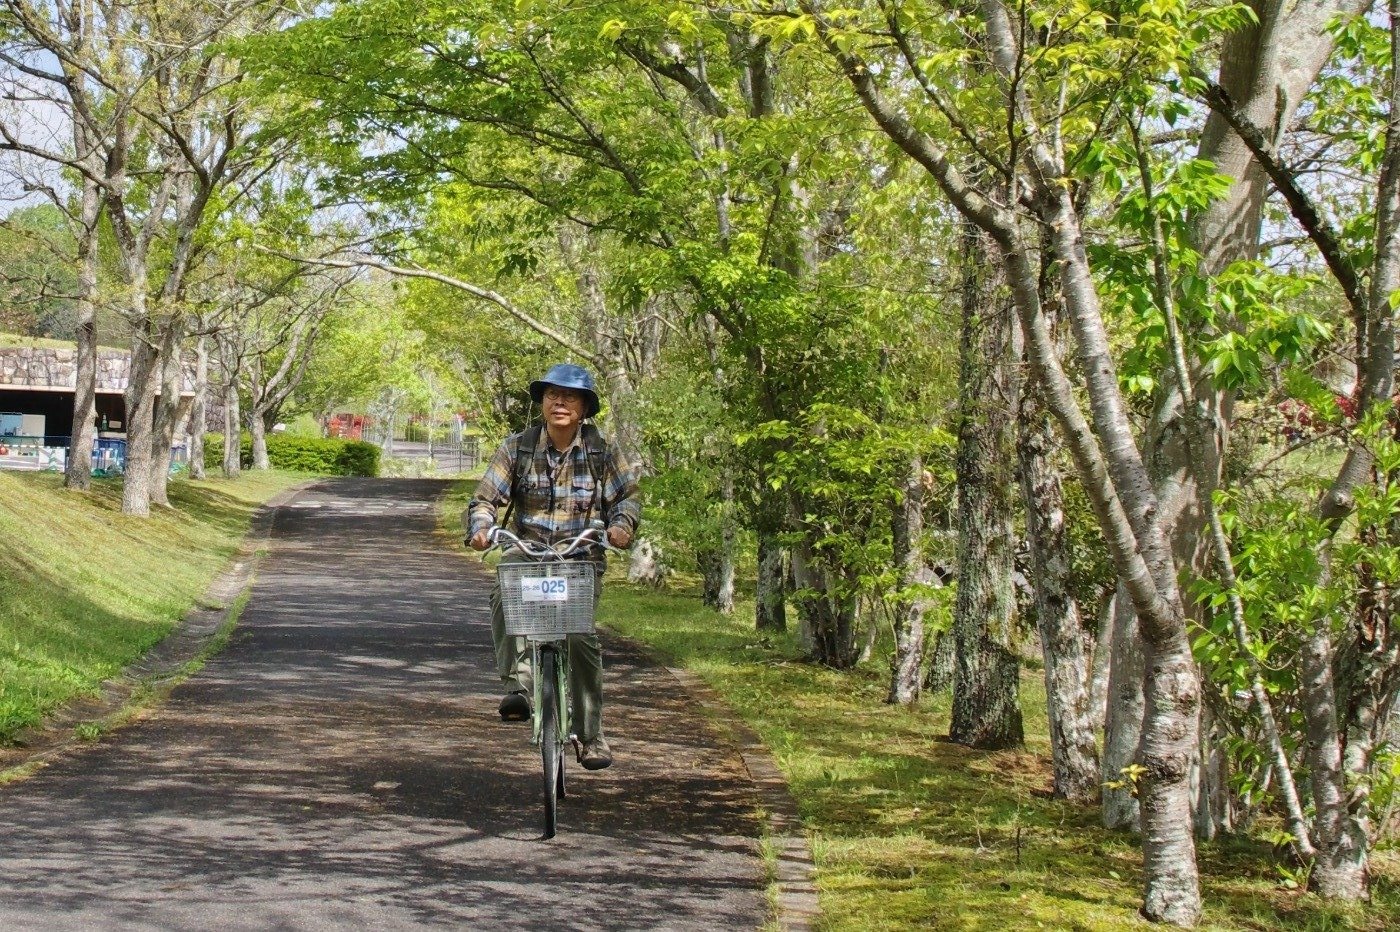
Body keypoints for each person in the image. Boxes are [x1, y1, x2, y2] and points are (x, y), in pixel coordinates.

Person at [464, 363, 640, 770]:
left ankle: (592, 735)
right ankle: (518, 688)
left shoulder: (602, 451)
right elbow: (485, 498)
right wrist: (480, 528)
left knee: (580, 637)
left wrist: (621, 527)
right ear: (542, 403)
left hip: (580, 555)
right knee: (502, 594)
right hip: (528, 551)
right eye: (551, 395)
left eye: (570, 396)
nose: (559, 402)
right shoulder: (517, 447)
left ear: (584, 407)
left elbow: (627, 498)